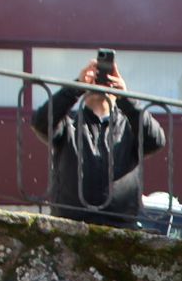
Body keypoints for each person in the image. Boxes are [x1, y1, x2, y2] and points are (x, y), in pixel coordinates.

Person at [30, 55, 166, 227]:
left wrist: (125, 97)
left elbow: (156, 140)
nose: (100, 85)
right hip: (71, 225)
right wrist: (76, 87)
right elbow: (40, 122)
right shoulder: (68, 124)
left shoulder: (130, 128)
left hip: (121, 227)